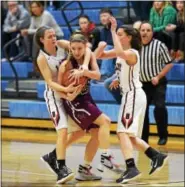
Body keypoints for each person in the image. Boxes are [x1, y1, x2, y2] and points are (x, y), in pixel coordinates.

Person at [95, 17, 169, 184]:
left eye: (120, 35)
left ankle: (131, 168)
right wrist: (100, 47)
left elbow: (121, 53)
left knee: (122, 133)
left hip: (133, 95)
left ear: (128, 37)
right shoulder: (123, 53)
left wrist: (113, 30)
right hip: (130, 95)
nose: (117, 37)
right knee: (131, 136)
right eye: (117, 34)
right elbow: (103, 55)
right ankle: (156, 156)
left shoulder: (132, 53)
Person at [34, 26, 92, 184]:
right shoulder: (41, 58)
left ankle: (53, 155)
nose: (53, 38)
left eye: (54, 35)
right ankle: (61, 168)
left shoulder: (62, 44)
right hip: (54, 95)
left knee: (81, 130)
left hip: (69, 93)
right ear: (41, 40)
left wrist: (85, 65)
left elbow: (86, 48)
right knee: (62, 130)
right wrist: (66, 90)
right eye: (49, 36)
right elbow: (50, 82)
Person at [139, 22, 173, 145]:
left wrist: (158, 76)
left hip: (158, 82)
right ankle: (143, 139)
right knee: (143, 111)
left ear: (152, 32)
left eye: (148, 30)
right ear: (139, 32)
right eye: (143, 30)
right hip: (142, 84)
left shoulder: (159, 45)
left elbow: (169, 63)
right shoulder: (136, 46)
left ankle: (163, 135)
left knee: (159, 108)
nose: (145, 32)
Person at [21, 1, 64, 73]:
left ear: (41, 7)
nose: (33, 9)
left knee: (36, 38)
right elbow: (32, 28)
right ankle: (33, 61)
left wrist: (27, 31)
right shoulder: (33, 17)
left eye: (35, 7)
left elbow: (42, 29)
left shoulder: (46, 14)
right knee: (30, 37)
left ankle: (36, 64)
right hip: (43, 36)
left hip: (56, 35)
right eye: (32, 7)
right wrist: (27, 32)